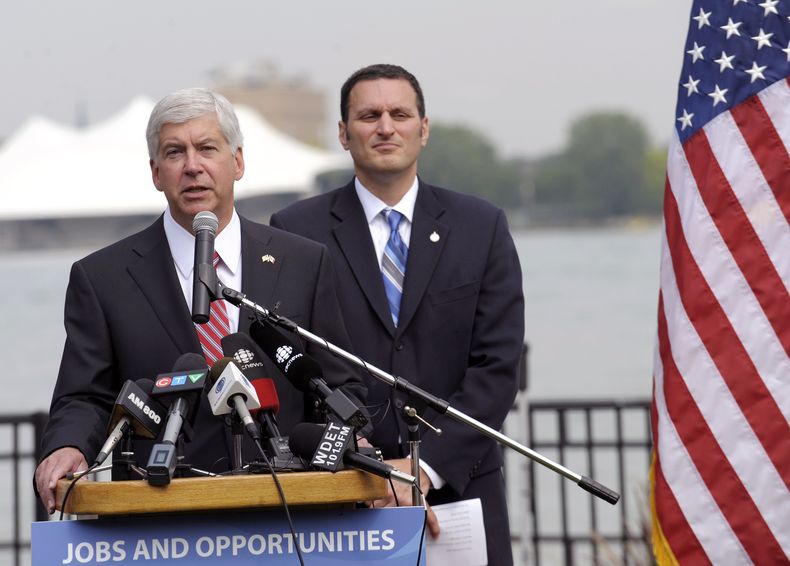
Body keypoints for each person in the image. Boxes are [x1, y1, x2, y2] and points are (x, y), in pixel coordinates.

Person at [34, 88, 366, 514]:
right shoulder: (102, 278)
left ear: (238, 162)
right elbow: (84, 397)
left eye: (207, 148)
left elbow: (339, 382)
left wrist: (353, 435)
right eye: (175, 153)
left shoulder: (304, 261)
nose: (193, 166)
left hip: (290, 512)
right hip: (161, 517)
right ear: (156, 173)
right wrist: (67, 445)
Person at [270, 64, 524, 565]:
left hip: (459, 489)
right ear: (344, 133)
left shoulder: (482, 226)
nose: (385, 126)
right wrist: (355, 462)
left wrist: (423, 471)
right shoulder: (294, 231)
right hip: (338, 493)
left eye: (399, 113)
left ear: (423, 129)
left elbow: (496, 369)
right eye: (368, 115)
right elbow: (287, 365)